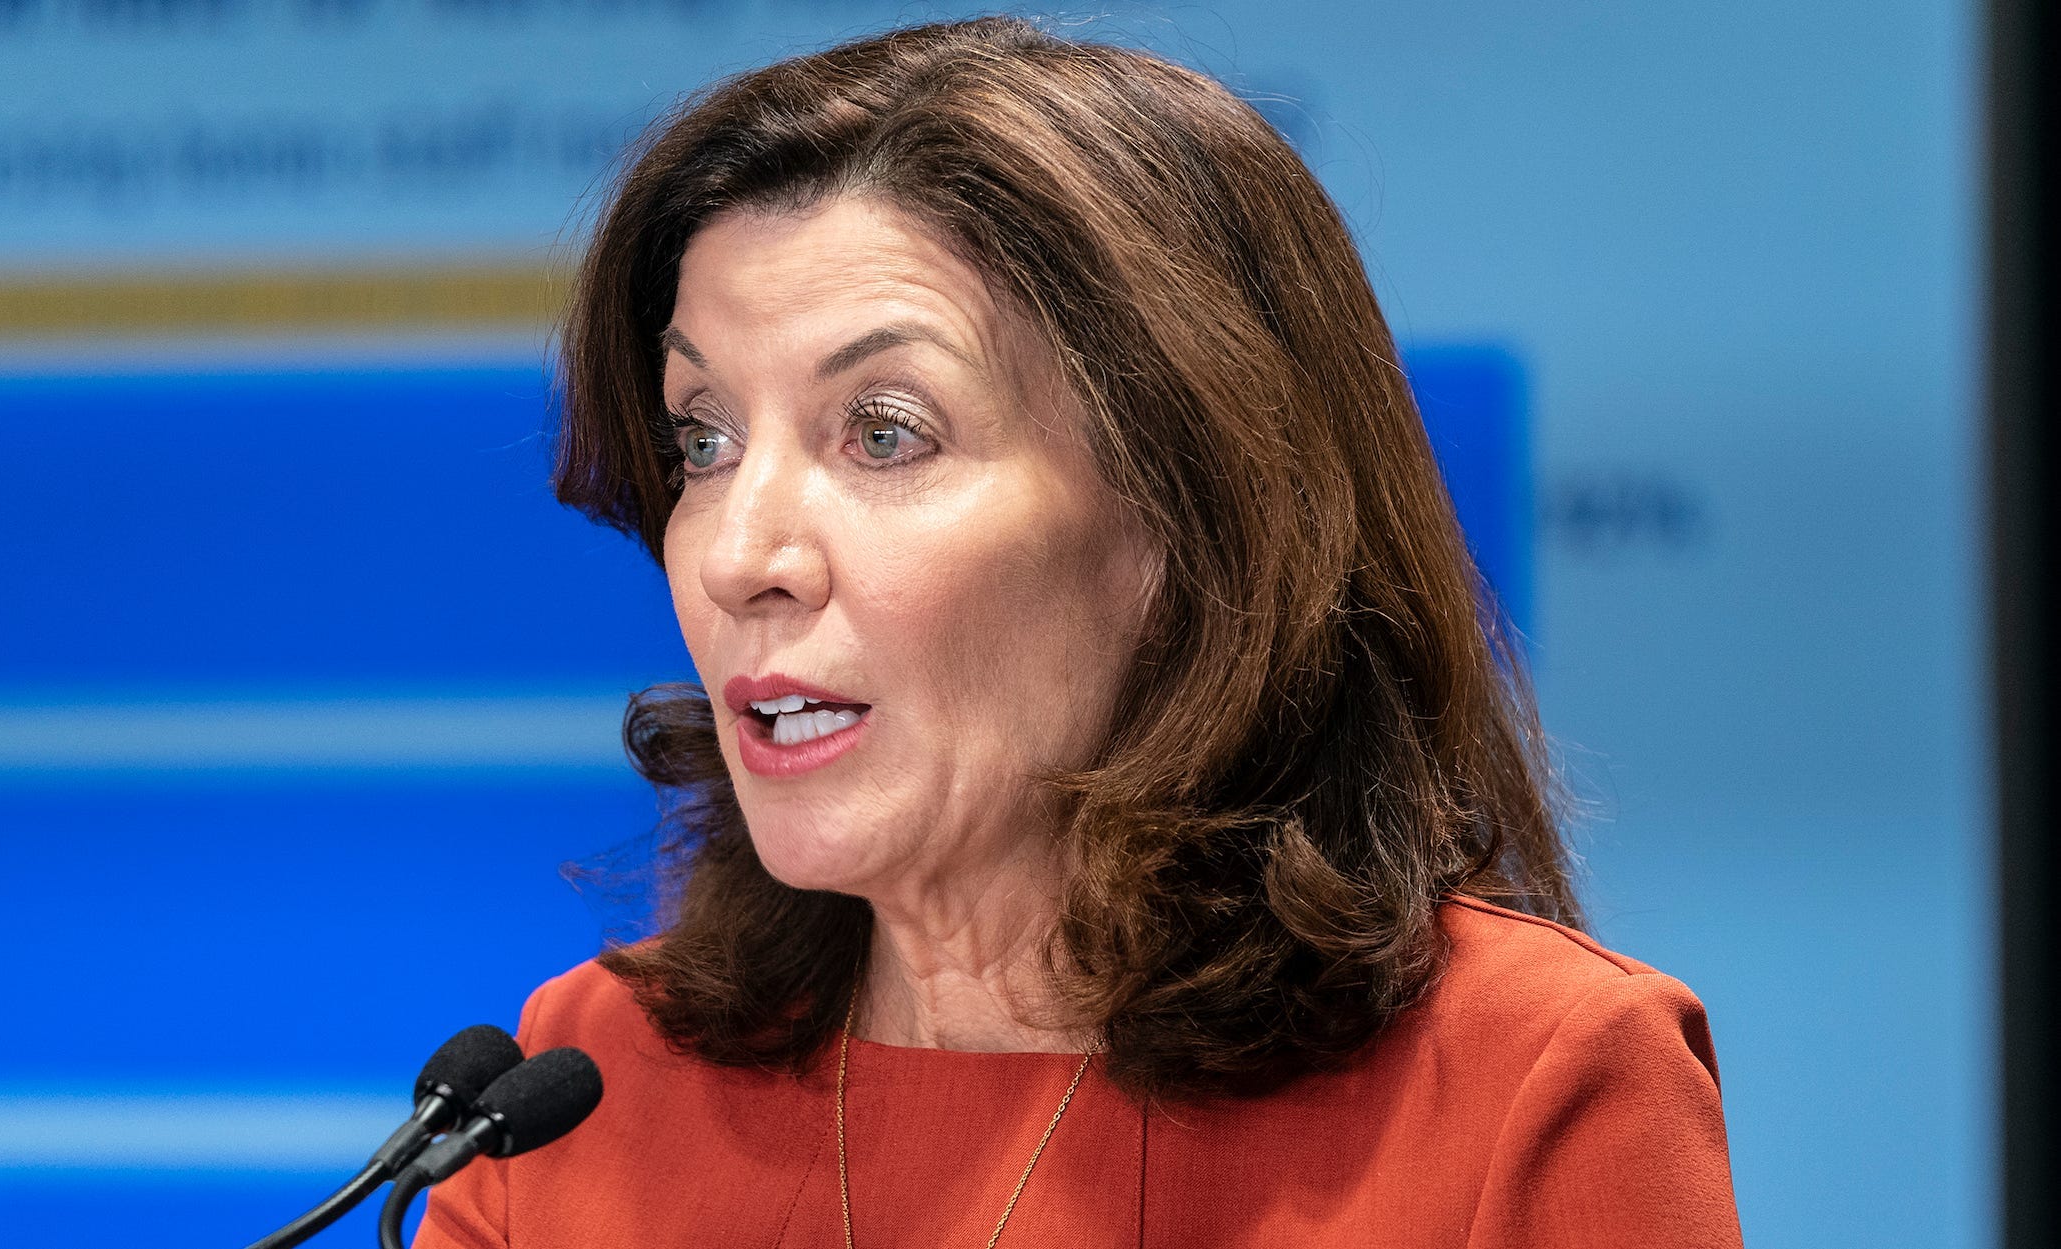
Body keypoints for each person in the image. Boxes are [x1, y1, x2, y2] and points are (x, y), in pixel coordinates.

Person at [419, 16, 1742, 1248]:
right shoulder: (578, 1092)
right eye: (703, 439)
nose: (743, 555)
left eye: (887, 433)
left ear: (1187, 520)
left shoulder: (1537, 1085)